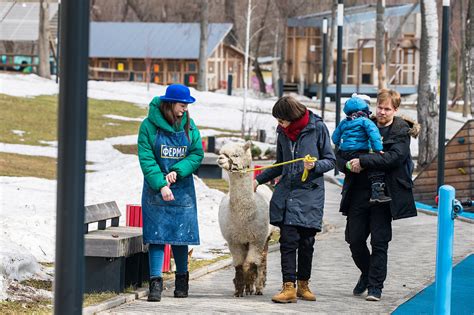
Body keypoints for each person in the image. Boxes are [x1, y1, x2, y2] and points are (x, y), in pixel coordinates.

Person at [337, 89, 419, 301]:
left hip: (384, 195)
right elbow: (341, 153)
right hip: (358, 193)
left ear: (396, 110)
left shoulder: (400, 131)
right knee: (354, 240)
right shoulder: (361, 124)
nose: (382, 112)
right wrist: (347, 164)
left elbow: (394, 158)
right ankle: (367, 272)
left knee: (380, 242)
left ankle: (375, 287)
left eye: (387, 109)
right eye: (380, 107)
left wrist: (363, 161)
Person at [254, 96, 335, 303]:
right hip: (287, 195)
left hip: (310, 195)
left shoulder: (317, 128)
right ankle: (288, 287)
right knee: (288, 242)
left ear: (291, 116)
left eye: (281, 120)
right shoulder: (282, 133)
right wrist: (258, 180)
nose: (278, 124)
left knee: (307, 243)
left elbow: (330, 160)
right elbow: (280, 163)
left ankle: (303, 285)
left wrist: (315, 166)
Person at [138, 83, 204, 302]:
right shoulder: (148, 127)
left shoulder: (190, 126)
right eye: (182, 104)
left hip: (182, 190)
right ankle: (155, 283)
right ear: (169, 104)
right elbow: (147, 159)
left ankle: (182, 282)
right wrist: (161, 184)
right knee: (157, 236)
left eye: (187, 105)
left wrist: (178, 170)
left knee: (180, 236)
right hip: (156, 190)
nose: (185, 108)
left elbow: (196, 154)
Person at [332, 94, 391, 203]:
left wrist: (341, 144)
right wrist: (377, 149)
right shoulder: (365, 121)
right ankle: (377, 192)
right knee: (375, 167)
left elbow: (335, 137)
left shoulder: (344, 122)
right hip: (360, 151)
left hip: (346, 152)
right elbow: (374, 134)